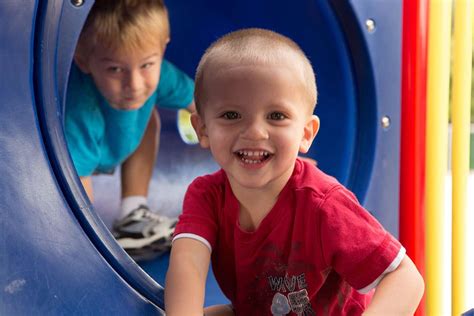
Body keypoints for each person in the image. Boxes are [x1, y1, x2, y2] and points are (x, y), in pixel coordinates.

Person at [165, 28, 424, 315]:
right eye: (231, 115)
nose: (254, 132)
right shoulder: (207, 195)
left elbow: (406, 279)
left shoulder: (324, 204)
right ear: (202, 129)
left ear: (305, 133)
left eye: (276, 116)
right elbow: (187, 265)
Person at [64, 0, 195, 260]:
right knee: (85, 233)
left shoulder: (161, 75)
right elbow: (75, 189)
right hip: (77, 161)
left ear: (162, 47)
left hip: (119, 139)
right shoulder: (78, 111)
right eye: (115, 69)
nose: (134, 84)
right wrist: (91, 249)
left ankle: (132, 214)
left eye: (147, 65)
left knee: (149, 116)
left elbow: (206, 105)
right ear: (82, 59)